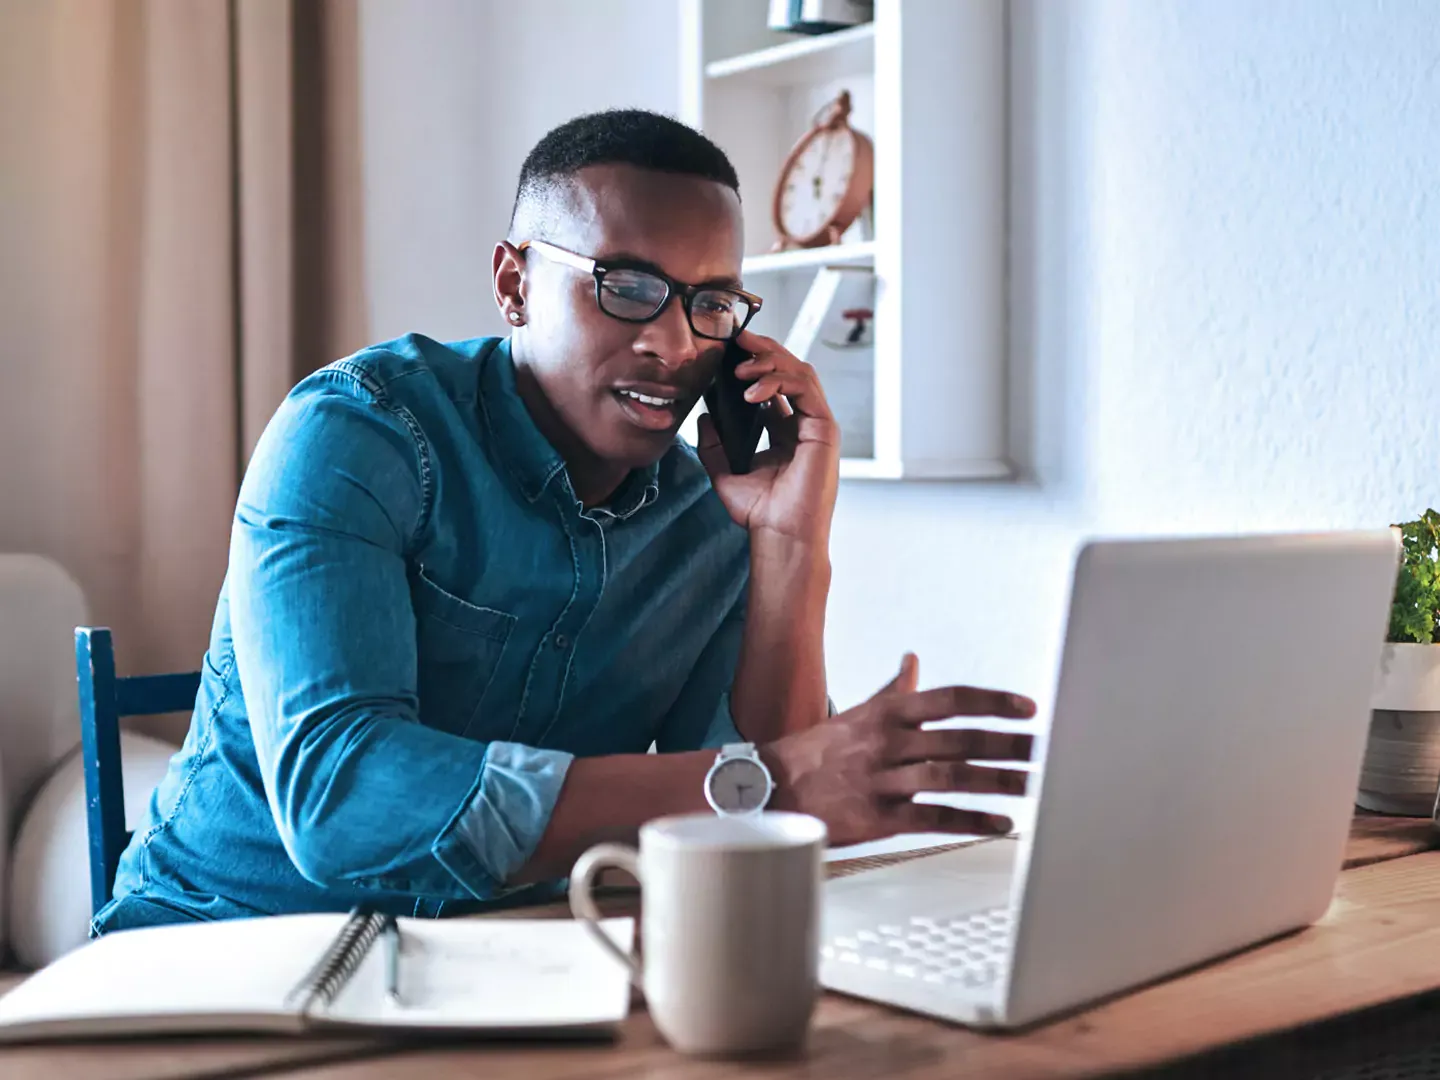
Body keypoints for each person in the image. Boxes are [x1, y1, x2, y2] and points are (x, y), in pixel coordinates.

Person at [92, 109, 1035, 934]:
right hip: (226, 944)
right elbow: (343, 801)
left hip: (521, 954)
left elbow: (768, 816)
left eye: (711, 303)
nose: (672, 343)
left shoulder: (711, 508)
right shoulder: (357, 433)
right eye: (625, 286)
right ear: (513, 285)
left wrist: (792, 549)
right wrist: (772, 785)